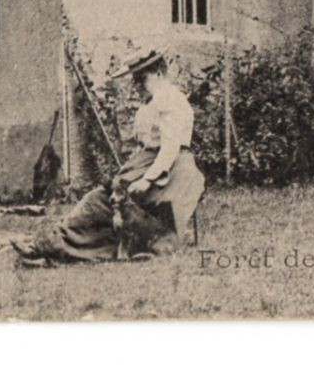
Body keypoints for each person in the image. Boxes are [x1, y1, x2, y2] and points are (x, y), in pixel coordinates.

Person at [12, 49, 205, 266]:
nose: (138, 85)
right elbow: (144, 145)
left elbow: (170, 147)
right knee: (101, 203)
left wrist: (147, 179)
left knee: (102, 203)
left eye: (143, 78)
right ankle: (51, 251)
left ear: (160, 73)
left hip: (172, 170)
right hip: (150, 164)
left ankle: (52, 247)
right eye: (135, 80)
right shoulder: (150, 104)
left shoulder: (170, 99)